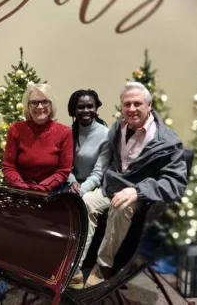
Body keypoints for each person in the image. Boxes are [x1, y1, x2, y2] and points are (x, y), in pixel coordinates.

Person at [80, 81, 188, 288]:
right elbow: (107, 161)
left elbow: (176, 182)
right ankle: (77, 262)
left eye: (137, 104)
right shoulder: (116, 128)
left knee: (120, 206)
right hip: (110, 188)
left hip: (139, 196)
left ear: (149, 105)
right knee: (85, 202)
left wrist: (138, 191)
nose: (131, 109)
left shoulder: (168, 141)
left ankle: (103, 266)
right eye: (127, 104)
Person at [64, 89, 111, 289]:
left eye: (89, 106)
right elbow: (64, 165)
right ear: (73, 110)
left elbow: (99, 172)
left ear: (96, 108)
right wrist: (71, 180)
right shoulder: (67, 131)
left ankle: (75, 267)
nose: (85, 110)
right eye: (81, 107)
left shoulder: (105, 134)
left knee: (81, 206)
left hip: (95, 186)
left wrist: (80, 190)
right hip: (70, 182)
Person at [1, 83, 73, 192]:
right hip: (20, 192)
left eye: (45, 102)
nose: (40, 107)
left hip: (51, 194)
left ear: (51, 104)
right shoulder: (16, 129)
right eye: (34, 102)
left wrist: (40, 189)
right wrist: (23, 188)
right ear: (27, 106)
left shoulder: (64, 132)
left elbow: (63, 171)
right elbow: (8, 166)